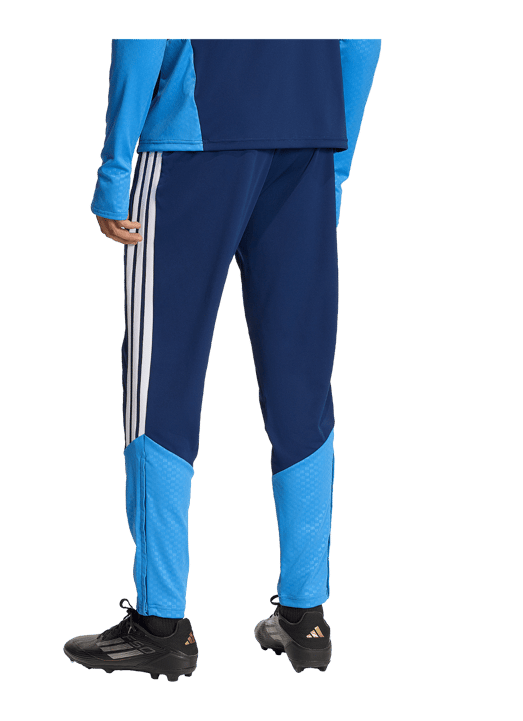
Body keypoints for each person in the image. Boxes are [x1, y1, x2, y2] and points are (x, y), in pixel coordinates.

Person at [63, 37, 382, 682]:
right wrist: (336, 161)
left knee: (160, 378)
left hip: (196, 135)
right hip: (309, 137)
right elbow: (361, 34)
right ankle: (306, 618)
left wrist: (114, 167)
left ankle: (161, 626)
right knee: (302, 382)